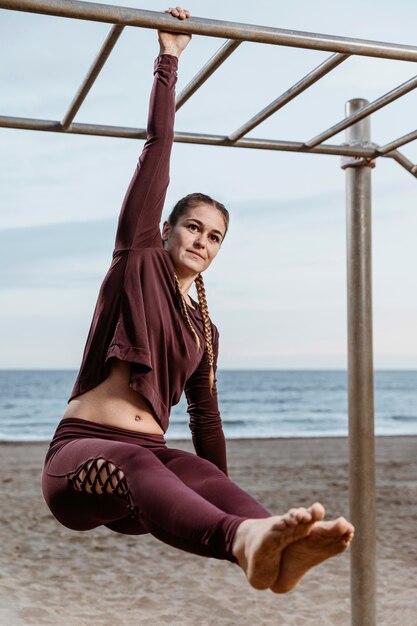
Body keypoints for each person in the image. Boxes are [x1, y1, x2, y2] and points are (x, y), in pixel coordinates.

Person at [41, 6, 354, 593]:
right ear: (165, 228)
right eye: (192, 227)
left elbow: (205, 421)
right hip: (83, 463)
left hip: (150, 476)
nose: (202, 241)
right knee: (141, 463)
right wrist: (169, 59)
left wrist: (218, 501)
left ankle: (267, 546)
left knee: (194, 469)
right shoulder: (135, 262)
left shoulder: (203, 329)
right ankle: (245, 539)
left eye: (214, 237)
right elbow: (157, 154)